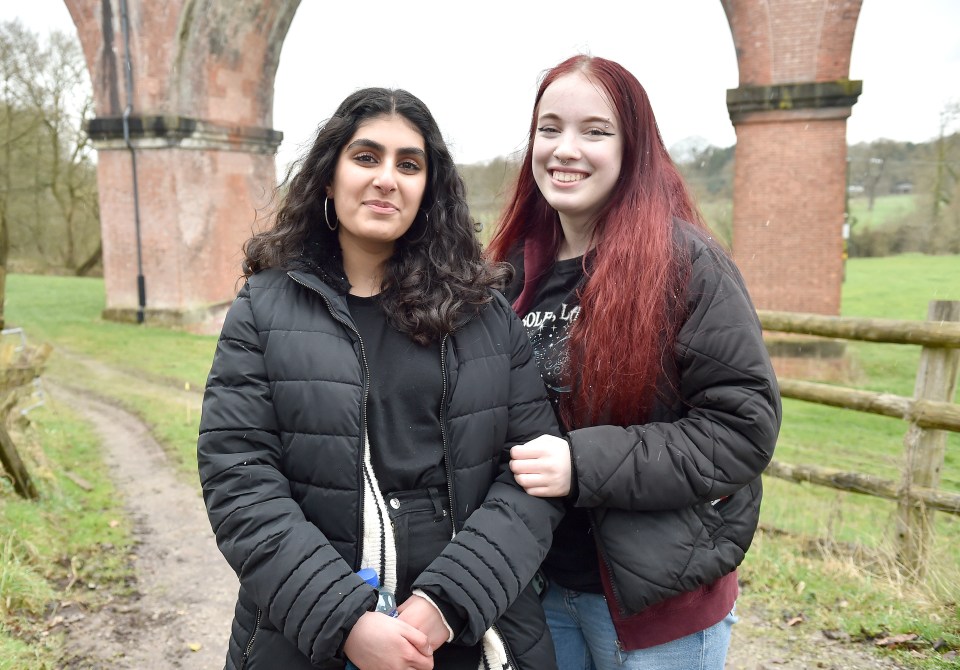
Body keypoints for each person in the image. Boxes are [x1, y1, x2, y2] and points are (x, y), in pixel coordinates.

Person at [197, 87, 565, 670]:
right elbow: (239, 480)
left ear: (429, 189)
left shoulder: (484, 314)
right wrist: (345, 621)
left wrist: (443, 606)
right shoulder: (263, 311)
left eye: (409, 164)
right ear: (328, 175)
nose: (387, 179)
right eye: (366, 157)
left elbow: (531, 477)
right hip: (310, 639)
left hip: (466, 633)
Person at [487, 55, 783, 670]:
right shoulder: (509, 272)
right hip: (538, 590)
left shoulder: (688, 266)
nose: (566, 149)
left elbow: (741, 430)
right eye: (549, 128)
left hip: (655, 611)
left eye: (595, 131)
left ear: (633, 147)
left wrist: (582, 462)